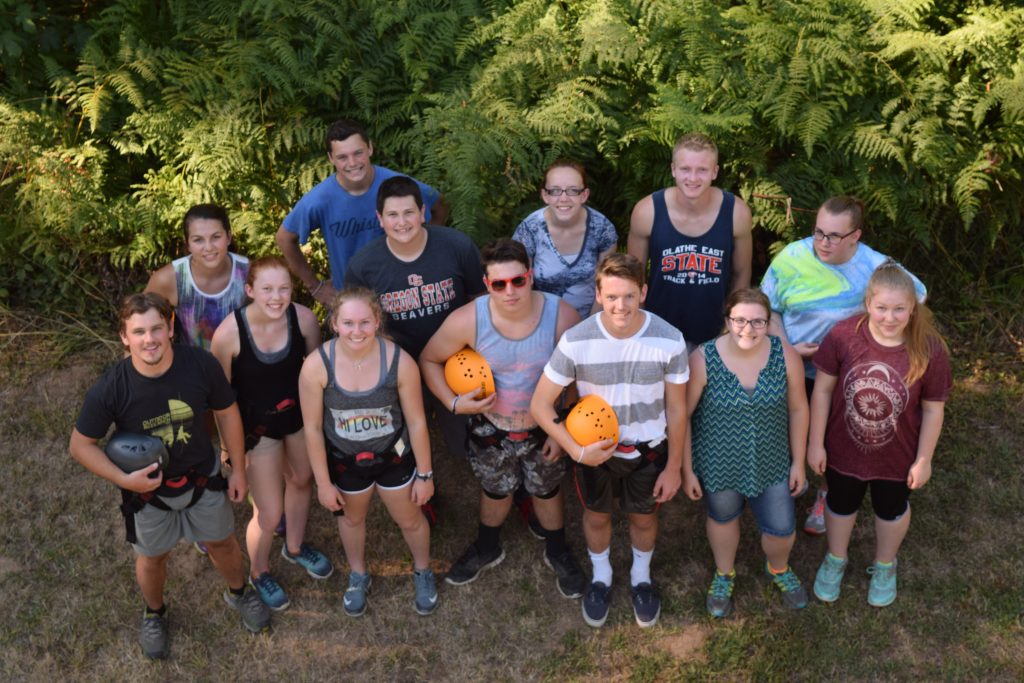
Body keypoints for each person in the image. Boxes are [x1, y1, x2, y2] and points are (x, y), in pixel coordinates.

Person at [69, 293, 270, 660]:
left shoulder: (200, 365)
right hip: (147, 493)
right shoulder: (113, 386)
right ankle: (155, 613)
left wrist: (238, 468)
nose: (150, 339)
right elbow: (80, 445)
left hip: (202, 477)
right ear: (124, 337)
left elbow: (226, 412)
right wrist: (125, 481)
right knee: (152, 558)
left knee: (222, 541)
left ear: (171, 328)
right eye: (139, 331)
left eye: (157, 328)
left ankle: (240, 592)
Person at [418, 239, 585, 597]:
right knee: (495, 491)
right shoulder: (468, 320)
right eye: (499, 284)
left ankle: (557, 550)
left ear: (531, 275)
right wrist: (452, 403)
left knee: (547, 489)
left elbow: (578, 375)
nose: (510, 291)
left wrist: (563, 429)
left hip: (545, 427)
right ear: (486, 283)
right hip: (491, 427)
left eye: (518, 281)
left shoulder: (561, 315)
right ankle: (488, 545)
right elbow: (428, 359)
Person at [531, 253, 688, 629]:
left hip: (648, 450)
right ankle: (601, 578)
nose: (621, 306)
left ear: (644, 293)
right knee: (597, 516)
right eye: (613, 296)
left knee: (644, 516)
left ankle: (641, 578)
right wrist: (575, 449)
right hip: (593, 452)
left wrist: (673, 467)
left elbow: (677, 410)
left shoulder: (669, 339)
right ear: (598, 294)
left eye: (630, 296)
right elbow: (539, 404)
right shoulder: (576, 340)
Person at [760, 196, 927, 535]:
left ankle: (827, 492)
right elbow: (768, 308)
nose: (822, 243)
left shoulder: (877, 266)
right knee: (785, 428)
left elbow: (916, 296)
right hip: (795, 366)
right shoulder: (791, 257)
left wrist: (878, 346)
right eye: (818, 232)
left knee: (838, 439)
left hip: (848, 374)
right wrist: (786, 348)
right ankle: (792, 479)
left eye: (834, 236)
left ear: (856, 236)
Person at [808, 262, 951, 607]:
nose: (890, 317)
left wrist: (924, 459)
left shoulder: (929, 349)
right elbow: (822, 391)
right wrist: (815, 443)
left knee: (891, 508)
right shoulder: (844, 335)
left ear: (912, 308)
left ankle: (885, 563)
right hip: (843, 447)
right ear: (868, 303)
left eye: (899, 308)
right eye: (882, 307)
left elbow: (933, 409)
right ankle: (836, 558)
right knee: (840, 504)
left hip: (897, 456)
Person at [298, 287, 438, 617]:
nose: (356, 331)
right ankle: (358, 574)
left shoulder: (399, 362)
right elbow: (313, 429)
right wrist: (323, 483)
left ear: (377, 321)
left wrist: (426, 474)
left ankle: (423, 570)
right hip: (345, 462)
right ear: (334, 323)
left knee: (410, 519)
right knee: (352, 518)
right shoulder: (317, 366)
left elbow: (418, 422)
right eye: (348, 323)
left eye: (364, 322)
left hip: (393, 456)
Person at [209, 257, 333, 611]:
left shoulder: (304, 320)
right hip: (256, 428)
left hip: (297, 419)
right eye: (267, 289)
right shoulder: (228, 335)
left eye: (284, 288)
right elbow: (220, 400)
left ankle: (294, 547)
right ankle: (259, 571)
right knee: (268, 511)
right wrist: (228, 452)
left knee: (302, 479)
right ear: (249, 291)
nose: (276, 297)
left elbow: (317, 373)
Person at [682, 289, 809, 618]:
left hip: (772, 461)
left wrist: (799, 463)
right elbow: (682, 416)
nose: (748, 329)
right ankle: (724, 573)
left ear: (769, 323)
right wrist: (687, 469)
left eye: (757, 321)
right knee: (723, 518)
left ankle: (778, 568)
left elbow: (798, 409)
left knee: (782, 529)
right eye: (739, 320)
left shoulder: (785, 355)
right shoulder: (703, 358)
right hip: (717, 463)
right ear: (727, 321)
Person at [345, 175, 486, 468]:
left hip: (455, 358)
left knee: (466, 441)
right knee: (403, 439)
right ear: (379, 219)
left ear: (423, 212)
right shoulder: (364, 265)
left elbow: (479, 300)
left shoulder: (456, 246)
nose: (402, 222)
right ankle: (415, 482)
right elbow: (356, 322)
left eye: (409, 212)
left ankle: (479, 465)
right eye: (392, 215)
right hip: (401, 361)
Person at [276, 118, 447, 305]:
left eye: (358, 153)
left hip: (403, 294)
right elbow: (284, 238)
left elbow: (439, 205)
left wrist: (424, 252)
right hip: (351, 300)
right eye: (342, 157)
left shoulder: (396, 185)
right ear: (331, 158)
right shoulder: (320, 200)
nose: (352, 162)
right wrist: (315, 287)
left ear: (370, 149)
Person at [627, 132, 752, 348]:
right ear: (673, 169)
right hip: (657, 333)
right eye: (685, 169)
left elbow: (742, 273)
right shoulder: (647, 211)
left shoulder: (736, 212)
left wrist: (732, 323)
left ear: (715, 172)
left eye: (702, 170)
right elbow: (632, 276)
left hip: (715, 334)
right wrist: (640, 325)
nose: (692, 178)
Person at [511, 160, 618, 319]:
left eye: (573, 190)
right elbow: (518, 287)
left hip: (592, 319)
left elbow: (607, 287)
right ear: (544, 195)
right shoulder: (529, 230)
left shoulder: (602, 229)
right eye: (555, 191)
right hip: (541, 321)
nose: (563, 198)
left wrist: (589, 328)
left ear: (584, 195)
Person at [145, 204, 250, 350]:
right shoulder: (170, 279)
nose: (208, 247)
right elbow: (140, 325)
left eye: (216, 237)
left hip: (242, 365)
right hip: (192, 367)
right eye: (198, 240)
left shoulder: (249, 273)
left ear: (228, 237)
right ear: (187, 243)